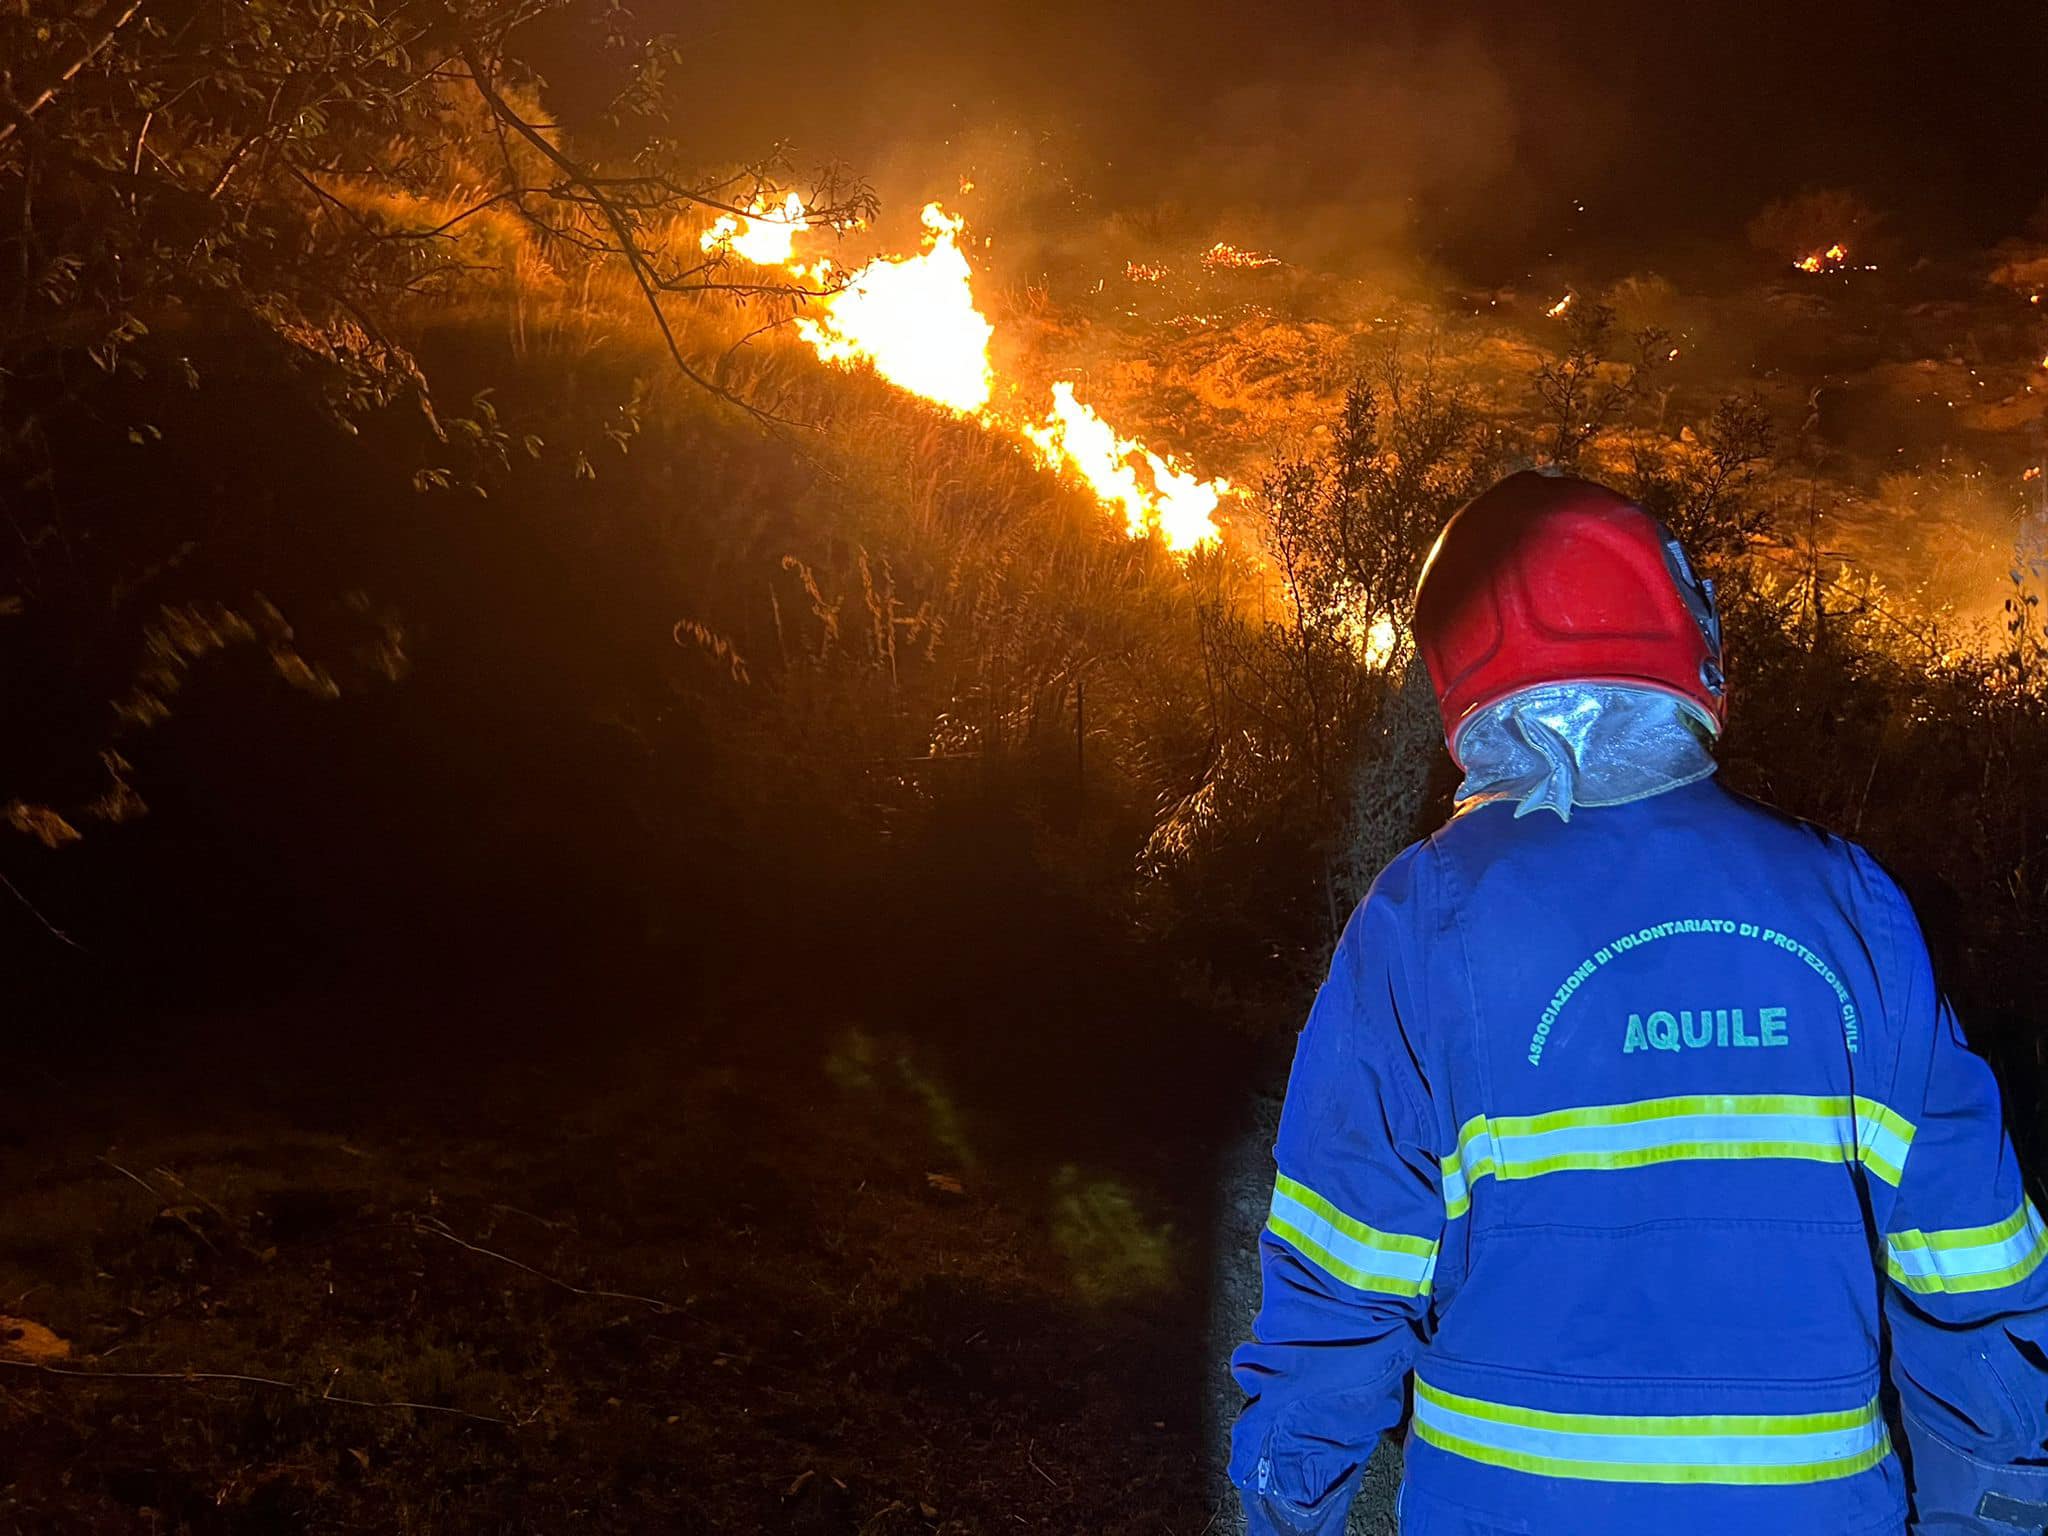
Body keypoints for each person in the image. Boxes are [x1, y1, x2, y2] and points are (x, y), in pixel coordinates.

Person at [1228, 470, 2048, 1536]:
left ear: (1461, 676)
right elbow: (1973, 1271)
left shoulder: (1421, 918)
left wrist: (1284, 1508)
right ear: (1684, 639)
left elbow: (1335, 1289)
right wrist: (1987, 1512)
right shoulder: (1852, 910)